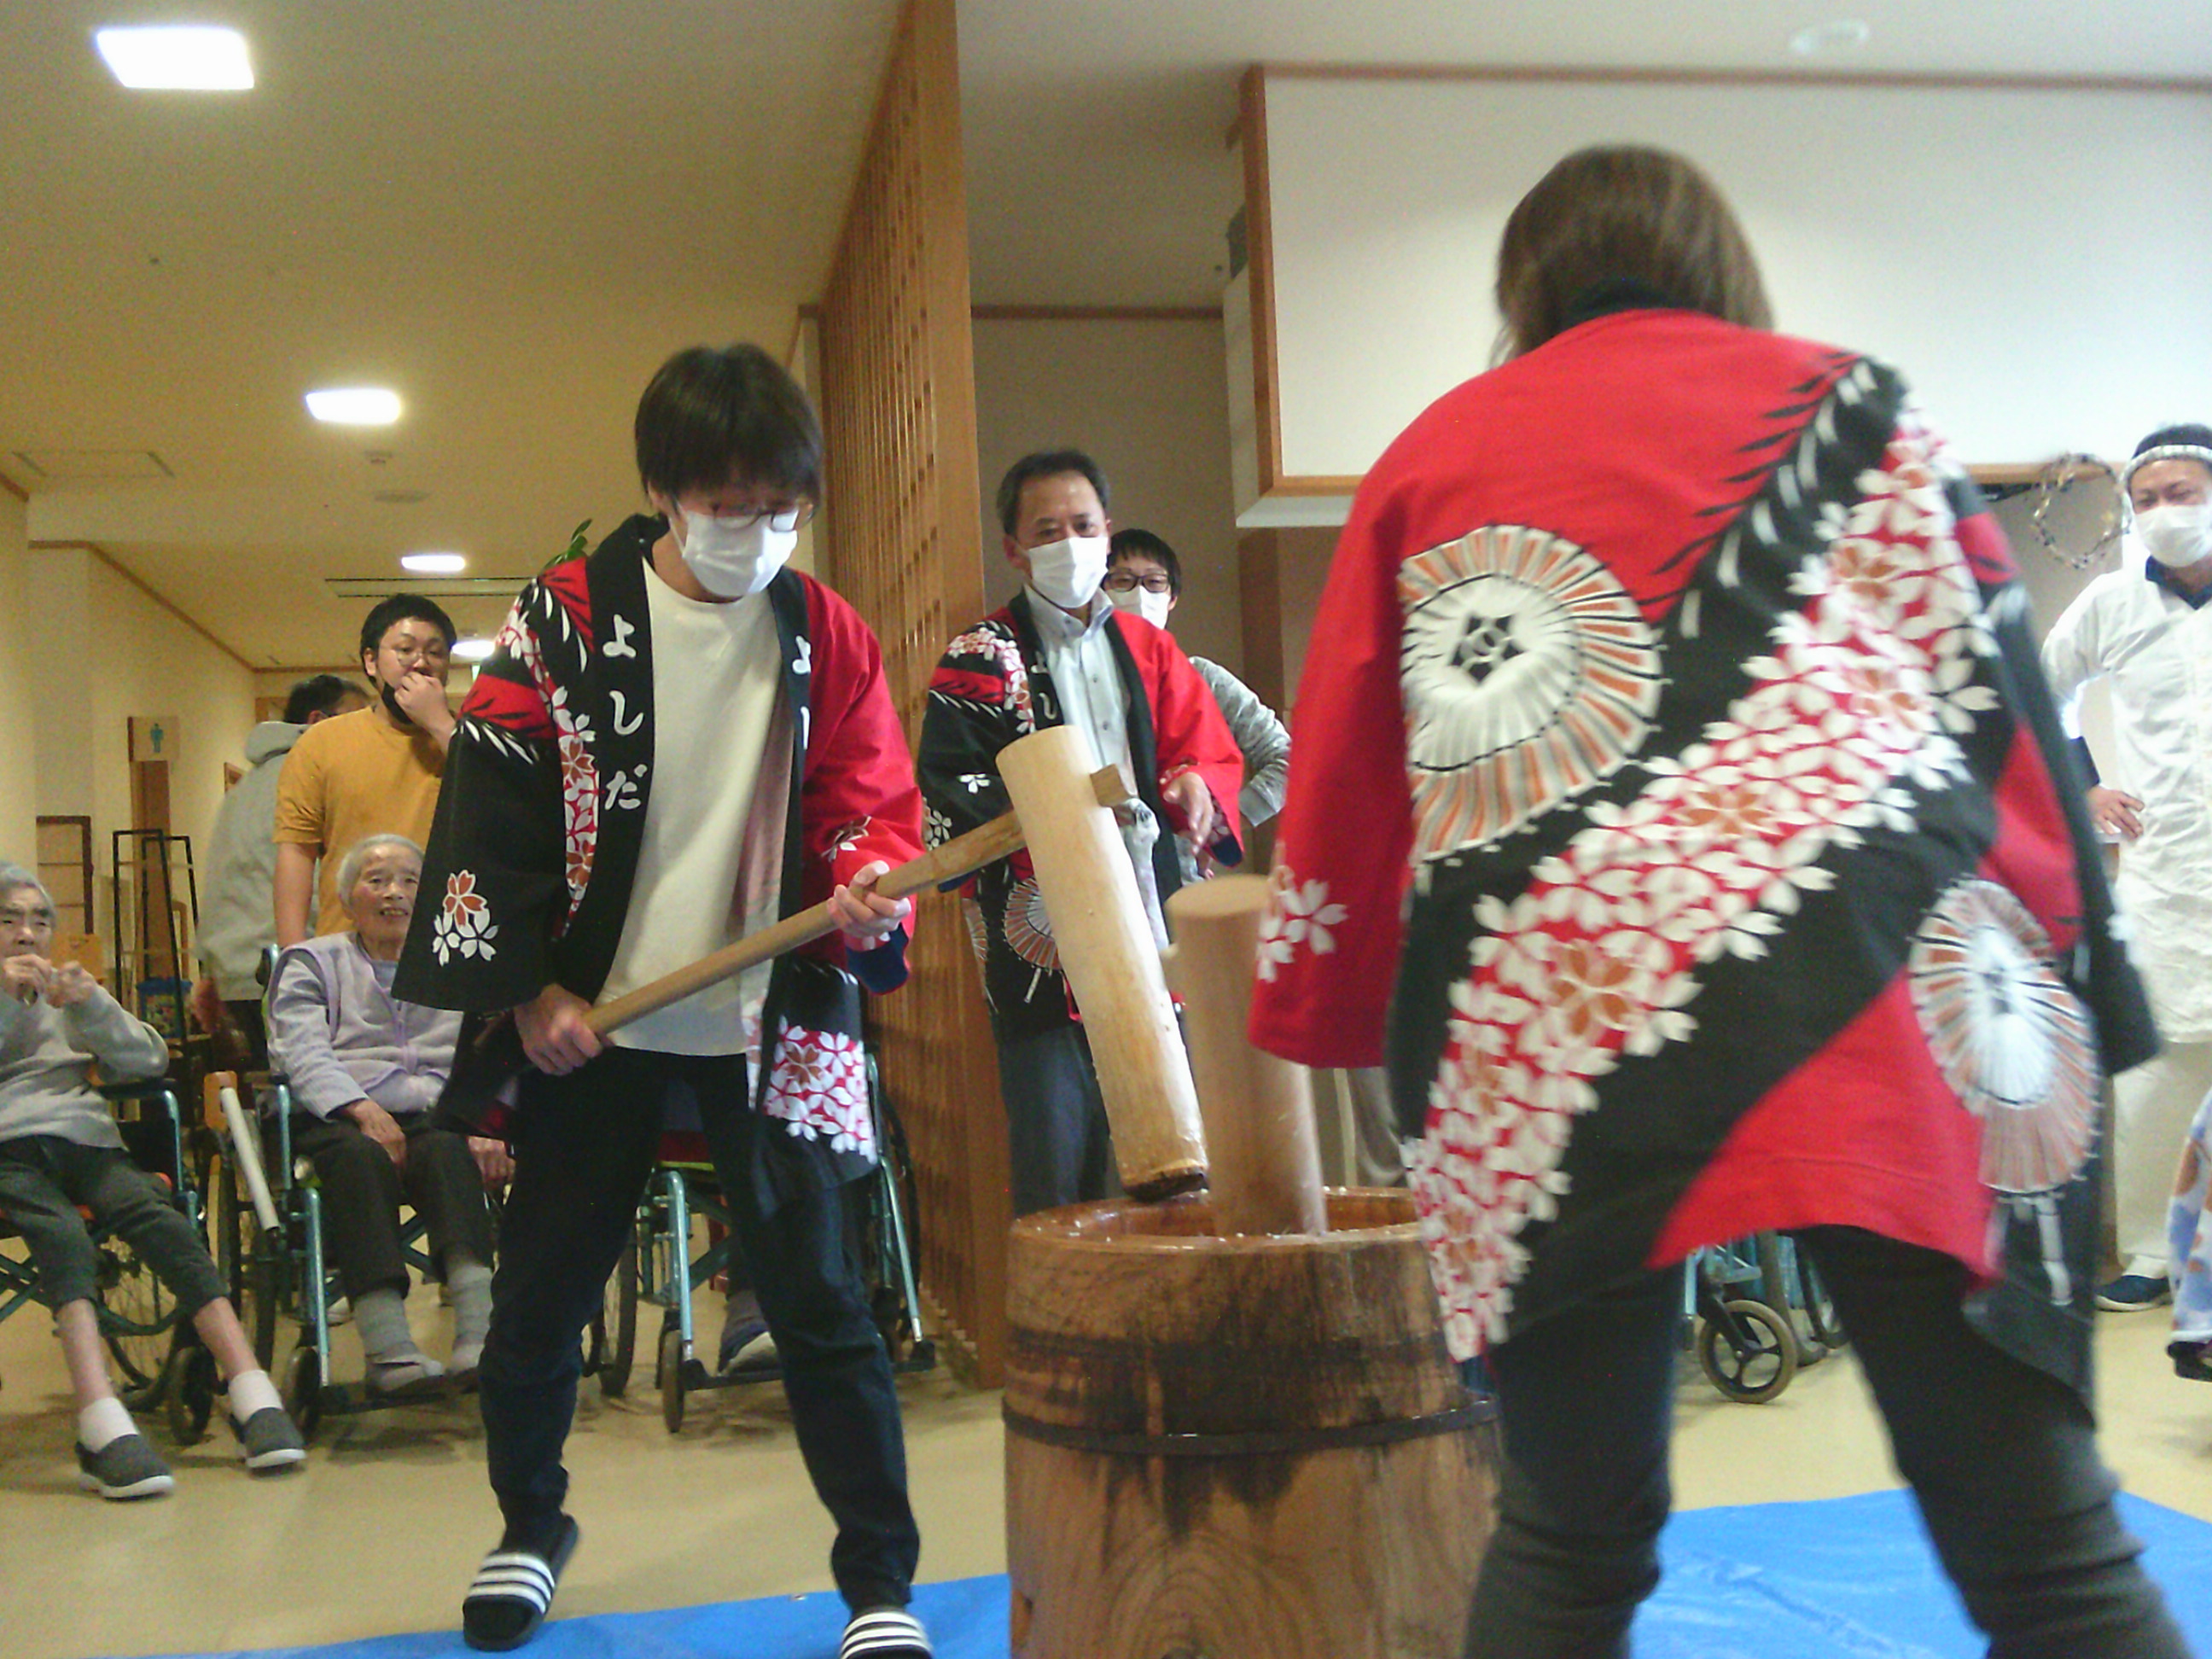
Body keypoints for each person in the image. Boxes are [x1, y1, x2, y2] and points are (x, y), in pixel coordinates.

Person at [1248, 145, 2189, 1657]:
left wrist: (1329, 1004)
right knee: (2040, 1534)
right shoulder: (1864, 408)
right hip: (1891, 964)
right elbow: (2001, 705)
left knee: (1567, 1530)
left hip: (1551, 994)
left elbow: (1350, 776)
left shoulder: (1432, 452)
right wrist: (2077, 961)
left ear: (1525, 286)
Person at [394, 343, 934, 1659]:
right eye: (726, 504)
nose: (755, 531)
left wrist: (868, 884)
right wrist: (530, 992)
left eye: (780, 507)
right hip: (596, 1025)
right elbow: (491, 815)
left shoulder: (827, 631)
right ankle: (530, 1527)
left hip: (773, 1014)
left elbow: (868, 802)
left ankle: (879, 1585)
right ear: (662, 492)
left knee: (823, 1303)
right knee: (540, 1299)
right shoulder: (563, 619)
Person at [918, 452, 1245, 1218]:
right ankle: (1061, 1298)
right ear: (1014, 549)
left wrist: (1195, 785)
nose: (1069, 543)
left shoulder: (1150, 649)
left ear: (1107, 531)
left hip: (1154, 919)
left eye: (1083, 525)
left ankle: (1171, 1293)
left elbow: (1205, 752)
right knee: (1056, 1160)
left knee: (1179, 1160)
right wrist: (1057, 818)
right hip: (1043, 939)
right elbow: (949, 786)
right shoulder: (977, 657)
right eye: (1047, 531)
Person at [0, 864, 305, 1499]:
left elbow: (149, 1059)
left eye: (40, 920)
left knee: (159, 1217)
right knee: (63, 1237)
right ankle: (99, 1420)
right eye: (9, 920)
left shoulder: (65, 993)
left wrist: (94, 1004)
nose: (27, 933)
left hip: (84, 1139)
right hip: (7, 1153)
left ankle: (251, 1389)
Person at [2042, 423, 2212, 1310]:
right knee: (2155, 1066)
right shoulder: (2112, 602)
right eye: (2147, 500)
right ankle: (2150, 1252)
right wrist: (2086, 789)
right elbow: (2042, 693)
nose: (2164, 513)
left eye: (2182, 494)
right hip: (2164, 870)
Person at [268, 834, 504, 1395]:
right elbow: (300, 1050)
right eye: (376, 881)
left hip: (437, 1113)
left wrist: (486, 1120)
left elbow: (488, 1050)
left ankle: (480, 1337)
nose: (393, 892)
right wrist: (359, 1107)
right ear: (348, 897)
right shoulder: (312, 962)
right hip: (340, 1115)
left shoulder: (455, 964)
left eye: (409, 881)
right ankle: (388, 1348)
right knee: (359, 1158)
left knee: (448, 1149)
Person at [191, 673, 369, 1064]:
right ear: (318, 720)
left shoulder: (243, 790)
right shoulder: (316, 776)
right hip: (298, 969)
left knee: (273, 1092)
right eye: (358, 718)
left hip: (236, 975)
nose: (367, 732)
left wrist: (209, 971)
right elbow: (327, 880)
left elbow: (220, 881)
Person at [1103, 528, 1290, 882]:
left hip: (1178, 877)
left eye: (1154, 583)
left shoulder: (1203, 678)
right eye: (1123, 581)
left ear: (1172, 598)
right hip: (1094, 871)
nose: (1139, 595)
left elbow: (1289, 759)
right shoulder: (1079, 679)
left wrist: (1217, 823)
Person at [273, 594, 457, 945]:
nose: (421, 664)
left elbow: (501, 813)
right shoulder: (322, 742)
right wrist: (293, 956)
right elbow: (297, 851)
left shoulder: (469, 743)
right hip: (347, 950)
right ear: (371, 662)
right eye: (405, 650)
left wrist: (441, 725)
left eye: (435, 653)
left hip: (446, 947)